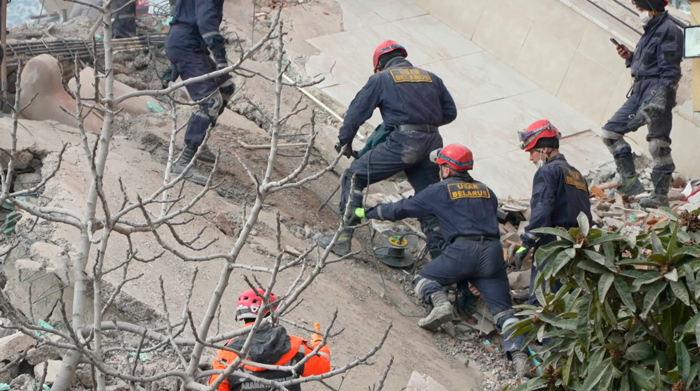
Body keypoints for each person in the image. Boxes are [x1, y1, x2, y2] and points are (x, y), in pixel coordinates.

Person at [354, 144, 531, 377]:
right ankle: (520, 359)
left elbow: (402, 209)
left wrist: (367, 212)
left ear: (447, 169)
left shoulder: (439, 190)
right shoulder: (488, 191)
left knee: (424, 278)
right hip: (492, 254)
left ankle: (441, 304)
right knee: (504, 313)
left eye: (440, 166)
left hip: (461, 251)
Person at [318, 40, 457, 259]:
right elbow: (450, 113)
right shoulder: (432, 78)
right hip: (432, 144)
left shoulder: (381, 79)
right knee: (428, 197)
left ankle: (343, 241)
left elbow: (356, 114)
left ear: (380, 64)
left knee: (353, 176)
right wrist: (424, 123)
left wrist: (345, 141)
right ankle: (441, 262)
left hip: (404, 142)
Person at [601, 0, 683, 208]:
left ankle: (660, 197)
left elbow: (670, 69)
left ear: (652, 7)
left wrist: (660, 98)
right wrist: (630, 57)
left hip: (656, 91)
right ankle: (630, 183)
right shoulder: (651, 30)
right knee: (610, 133)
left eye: (640, 9)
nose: (639, 13)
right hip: (639, 91)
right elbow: (649, 61)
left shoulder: (669, 30)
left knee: (658, 144)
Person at [514, 120, 592, 306]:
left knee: (544, 300)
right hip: (577, 244)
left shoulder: (547, 171)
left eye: (532, 152)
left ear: (545, 149)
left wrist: (526, 244)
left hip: (552, 244)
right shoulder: (576, 174)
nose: (531, 158)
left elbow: (542, 208)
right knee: (568, 298)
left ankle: (543, 336)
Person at [165, 0, 235, 185]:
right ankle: (185, 162)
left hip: (187, 44)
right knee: (210, 101)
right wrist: (219, 56)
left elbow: (179, 12)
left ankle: (199, 142)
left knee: (226, 87)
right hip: (187, 45)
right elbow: (206, 21)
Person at [208, 289, 332, 391]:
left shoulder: (226, 354)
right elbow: (323, 367)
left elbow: (217, 388)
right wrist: (319, 343)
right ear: (272, 314)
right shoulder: (295, 346)